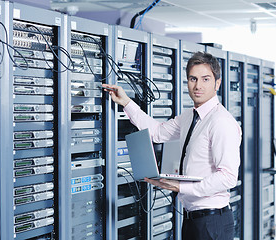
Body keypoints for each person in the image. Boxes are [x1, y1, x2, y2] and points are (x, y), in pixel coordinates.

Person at [103, 51, 241, 240]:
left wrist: (181, 187)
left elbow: (228, 177)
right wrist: (126, 102)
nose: (198, 86)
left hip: (211, 221)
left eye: (205, 79)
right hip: (193, 219)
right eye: (193, 79)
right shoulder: (189, 117)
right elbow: (157, 132)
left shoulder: (221, 122)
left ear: (217, 83)